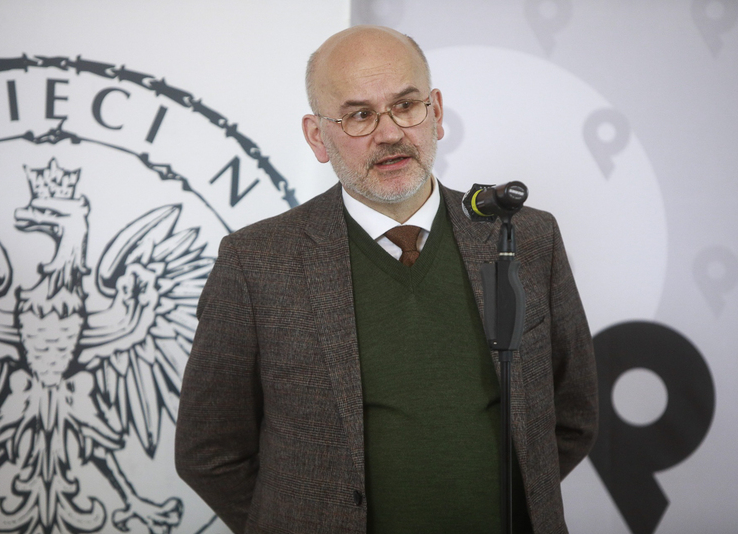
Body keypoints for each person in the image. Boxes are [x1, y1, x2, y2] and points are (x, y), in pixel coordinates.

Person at [175, 25, 597, 534]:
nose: (390, 132)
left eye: (406, 105)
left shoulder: (528, 237)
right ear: (317, 137)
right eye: (358, 115)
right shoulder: (256, 262)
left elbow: (571, 417)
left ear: (436, 112)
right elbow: (209, 452)